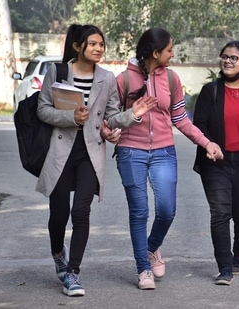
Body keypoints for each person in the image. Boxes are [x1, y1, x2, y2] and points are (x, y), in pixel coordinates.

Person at [36, 24, 157, 297]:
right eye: (92, 44)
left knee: (81, 211)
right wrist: (70, 118)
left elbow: (111, 115)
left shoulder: (106, 77)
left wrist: (131, 115)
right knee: (59, 214)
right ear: (78, 46)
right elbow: (43, 109)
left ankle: (73, 273)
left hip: (90, 152)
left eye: (101, 44)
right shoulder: (58, 72)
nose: (98, 49)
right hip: (60, 151)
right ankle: (58, 252)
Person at [113, 27, 223, 290]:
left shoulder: (171, 79)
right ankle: (143, 269)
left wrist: (206, 142)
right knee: (139, 212)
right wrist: (113, 127)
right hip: (131, 151)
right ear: (155, 52)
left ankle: (151, 248)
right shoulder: (123, 80)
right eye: (169, 50)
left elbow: (180, 119)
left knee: (166, 210)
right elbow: (111, 117)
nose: (172, 54)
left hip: (163, 151)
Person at [192, 41, 239, 285]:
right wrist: (209, 145)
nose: (228, 61)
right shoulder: (210, 91)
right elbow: (199, 124)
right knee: (220, 214)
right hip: (215, 163)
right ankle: (224, 267)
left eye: (234, 58)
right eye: (225, 57)